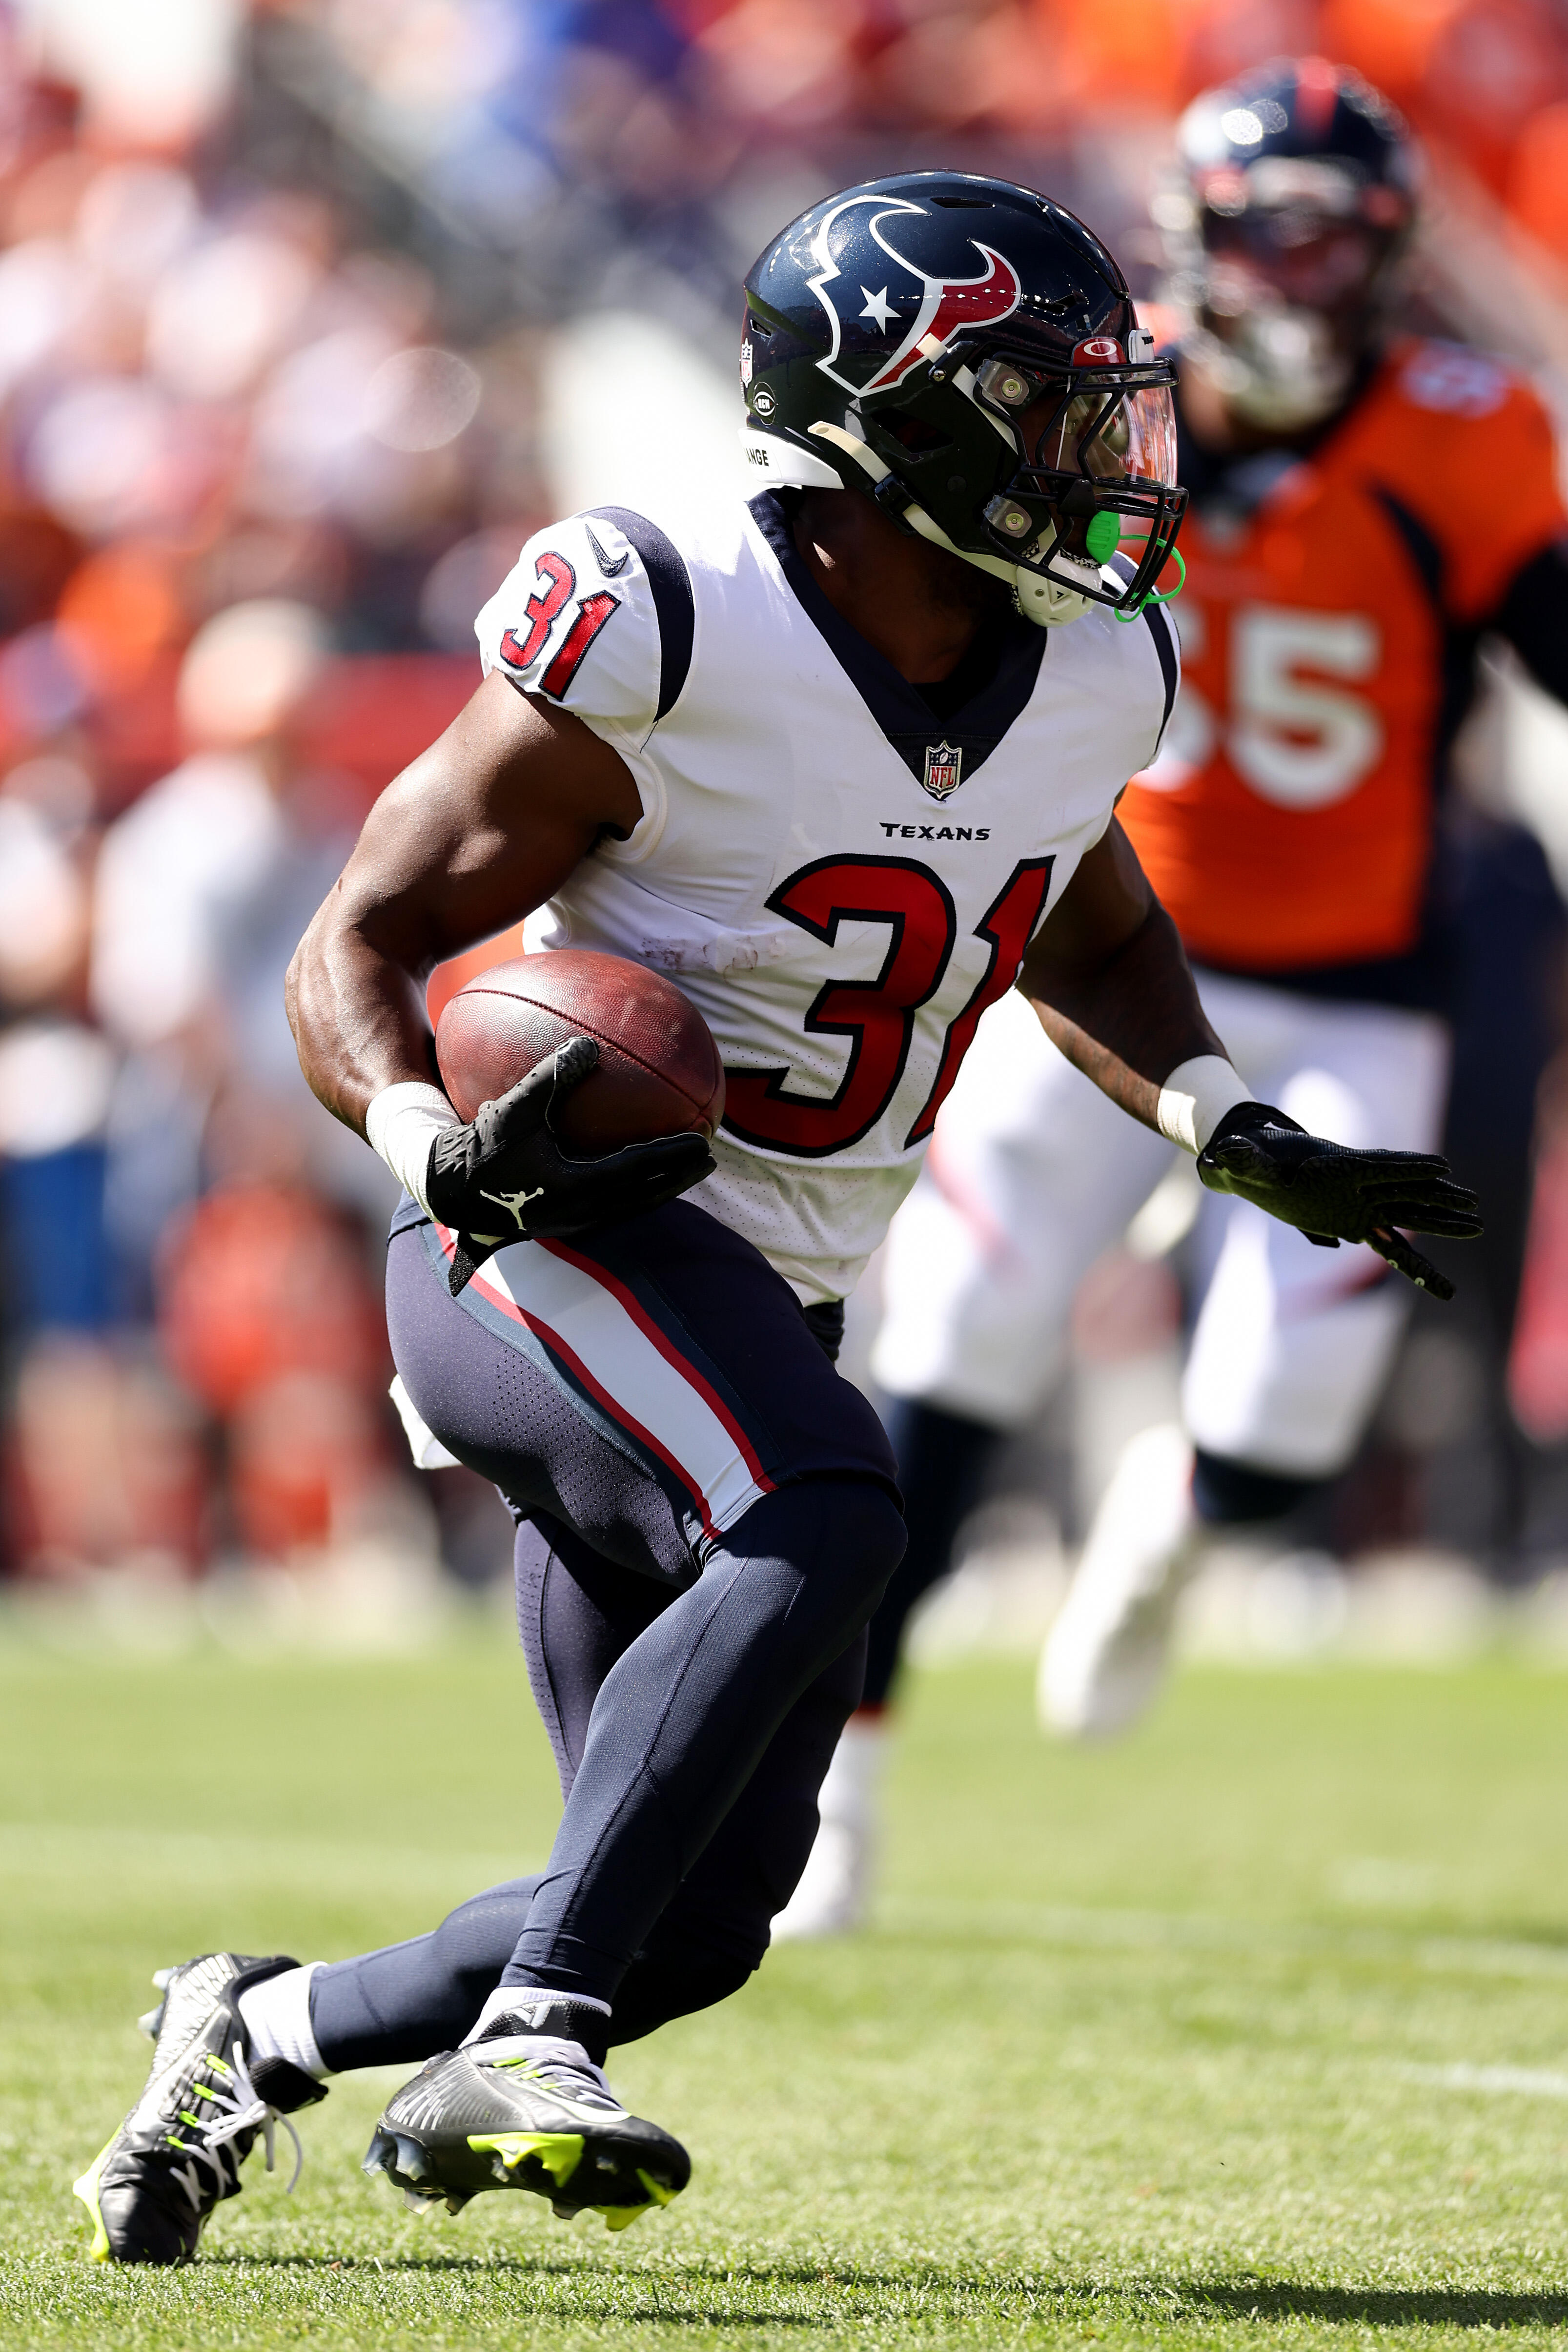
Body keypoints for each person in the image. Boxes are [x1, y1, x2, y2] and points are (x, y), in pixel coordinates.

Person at [74, 167, 1476, 2264]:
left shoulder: (1091, 667)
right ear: (893, 418)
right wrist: (425, 1140)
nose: (1101, 451)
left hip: (772, 1299)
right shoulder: (669, 610)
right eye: (1044, 404)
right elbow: (360, 933)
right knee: (833, 1507)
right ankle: (523, 2038)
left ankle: (251, 2031)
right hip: (554, 1229)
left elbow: (1082, 919)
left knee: (699, 1909)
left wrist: (1222, 1115)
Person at [773, 59, 1568, 1943]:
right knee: (957, 1349)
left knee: (1287, 1425)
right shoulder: (1095, 400)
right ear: (1197, 242)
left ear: (1393, 253)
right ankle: (839, 1787)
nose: (1297, 274)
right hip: (1099, 961)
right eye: (1264, 232)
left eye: (1334, 236)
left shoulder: (1465, 433)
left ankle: (1180, 1515)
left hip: (1359, 986)